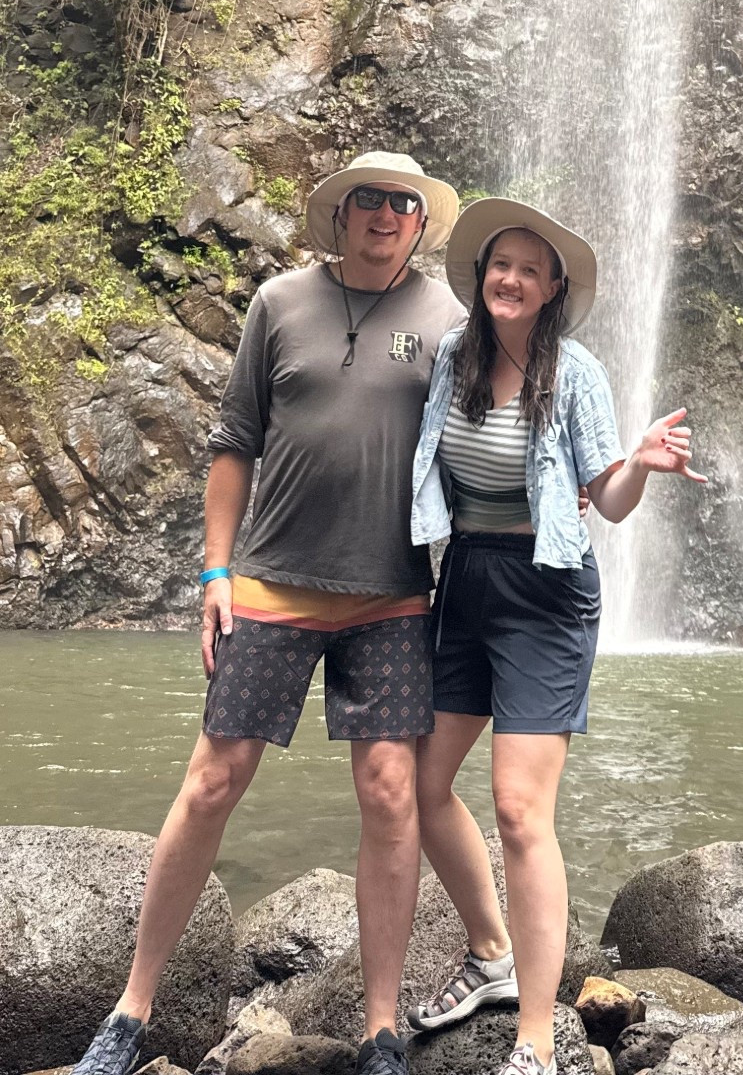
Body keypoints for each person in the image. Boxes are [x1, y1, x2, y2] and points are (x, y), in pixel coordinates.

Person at [72, 151, 462, 1075]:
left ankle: (379, 1028)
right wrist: (215, 574)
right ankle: (130, 1013)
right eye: (368, 198)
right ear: (342, 214)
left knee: (390, 794)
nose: (385, 214)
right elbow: (234, 442)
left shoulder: (450, 319)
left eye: (403, 204)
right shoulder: (278, 303)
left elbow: (498, 423)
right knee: (213, 781)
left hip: (395, 597)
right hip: (273, 585)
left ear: (418, 223)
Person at [406, 197, 704, 1075]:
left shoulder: (574, 373)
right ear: (482, 276)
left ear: (552, 288)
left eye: (531, 270)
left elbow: (604, 500)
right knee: (421, 786)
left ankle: (536, 1035)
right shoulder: (451, 363)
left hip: (545, 592)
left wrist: (638, 467)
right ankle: (490, 955)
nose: (512, 279)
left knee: (520, 812)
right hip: (462, 582)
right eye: (502, 265)